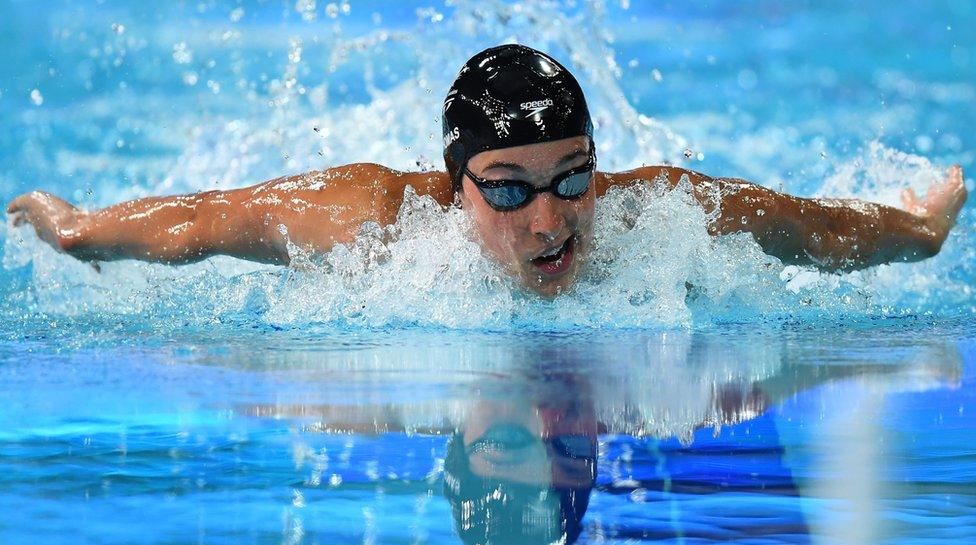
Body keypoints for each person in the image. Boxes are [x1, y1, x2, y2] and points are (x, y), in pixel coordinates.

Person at [5, 45, 968, 297]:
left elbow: (813, 229)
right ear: (454, 182)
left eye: (573, 177)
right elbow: (201, 223)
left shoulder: (656, 212)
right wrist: (78, 228)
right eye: (507, 187)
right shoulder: (372, 222)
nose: (550, 221)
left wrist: (920, 231)